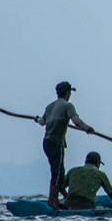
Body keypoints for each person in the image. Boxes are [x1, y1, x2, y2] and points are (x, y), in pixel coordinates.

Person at [36, 81, 95, 210]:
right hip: (56, 143)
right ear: (68, 93)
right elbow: (75, 121)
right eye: (70, 93)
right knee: (57, 173)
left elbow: (42, 122)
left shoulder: (50, 106)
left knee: (58, 171)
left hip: (46, 142)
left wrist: (36, 119)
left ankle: (62, 197)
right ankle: (53, 201)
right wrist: (87, 128)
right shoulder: (68, 106)